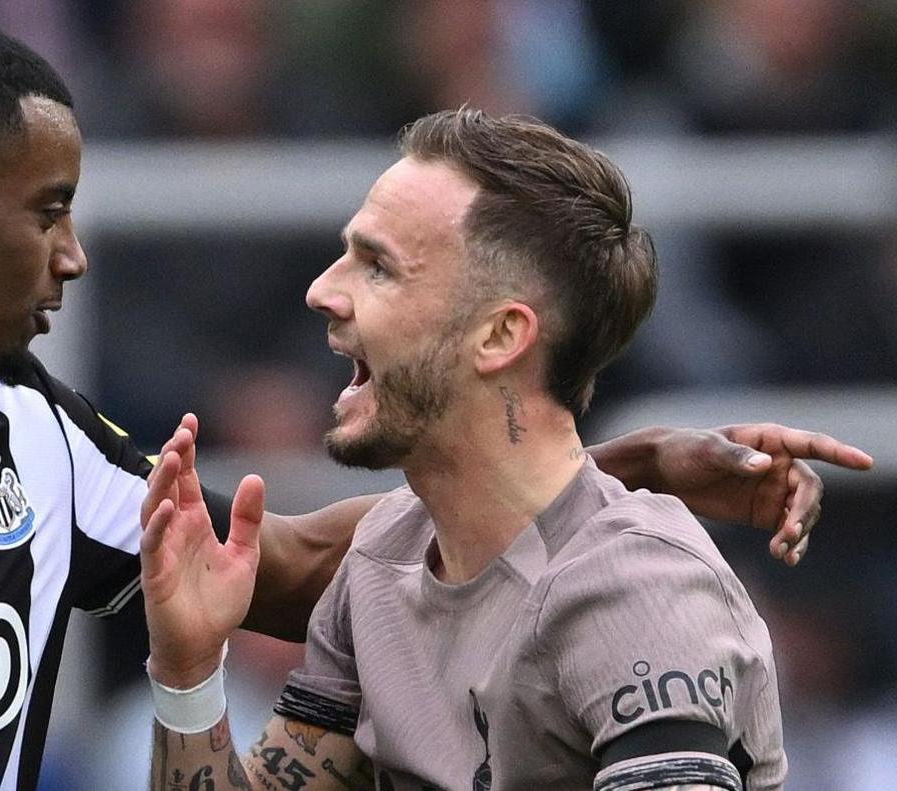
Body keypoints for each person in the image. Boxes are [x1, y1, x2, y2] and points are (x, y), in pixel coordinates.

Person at [0, 8, 868, 791]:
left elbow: (280, 561)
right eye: (45, 210)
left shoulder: (27, 437)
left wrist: (600, 474)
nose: (76, 252)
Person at [139, 110, 873, 790]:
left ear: (499, 336)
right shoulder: (378, 562)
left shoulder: (638, 589)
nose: (323, 291)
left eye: (378, 266)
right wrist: (189, 672)